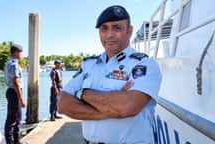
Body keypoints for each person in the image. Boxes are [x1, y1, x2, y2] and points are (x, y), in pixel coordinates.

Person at [58, 5, 162, 144]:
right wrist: (111, 109)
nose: (109, 34)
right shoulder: (89, 65)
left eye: (117, 28)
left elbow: (126, 107)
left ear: (129, 31)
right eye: (104, 29)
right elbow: (63, 105)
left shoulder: (145, 65)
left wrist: (82, 94)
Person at [4, 43, 26, 144]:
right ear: (15, 52)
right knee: (12, 119)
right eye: (20, 52)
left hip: (13, 91)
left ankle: (16, 140)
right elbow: (16, 82)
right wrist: (21, 98)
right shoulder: (14, 64)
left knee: (17, 118)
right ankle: (10, 141)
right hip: (14, 92)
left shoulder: (9, 63)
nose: (21, 54)